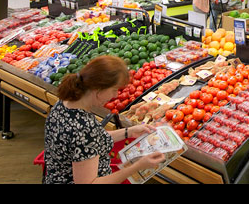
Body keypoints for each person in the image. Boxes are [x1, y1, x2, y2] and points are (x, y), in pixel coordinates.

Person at [44, 55, 165, 184]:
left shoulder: (66, 103)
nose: (115, 95)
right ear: (98, 89)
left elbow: (92, 140)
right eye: (113, 90)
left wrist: (128, 132)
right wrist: (137, 166)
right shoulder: (83, 128)